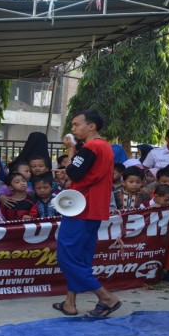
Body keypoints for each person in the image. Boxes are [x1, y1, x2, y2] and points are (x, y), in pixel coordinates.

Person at [53, 110, 121, 318]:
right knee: (80, 257)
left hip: (81, 208)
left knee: (67, 257)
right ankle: (70, 303)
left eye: (76, 124)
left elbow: (72, 172)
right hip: (92, 208)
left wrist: (71, 149)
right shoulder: (105, 147)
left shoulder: (92, 147)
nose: (73, 128)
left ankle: (106, 297)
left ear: (91, 126)